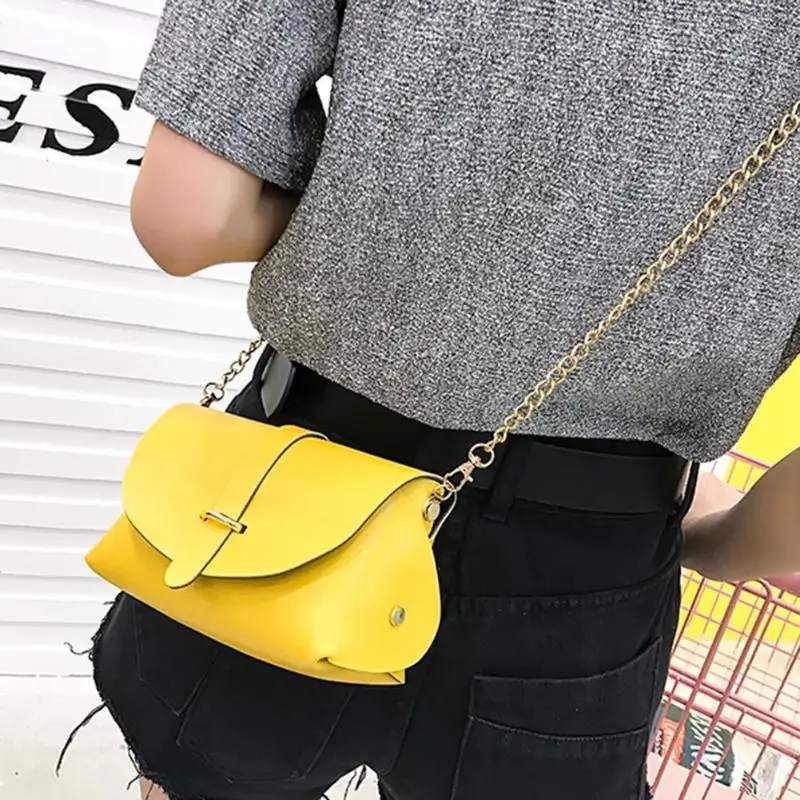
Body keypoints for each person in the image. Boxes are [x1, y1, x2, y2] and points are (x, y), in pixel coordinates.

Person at [87, 2, 800, 799]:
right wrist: (711, 541)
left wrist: (349, 227)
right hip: (582, 569)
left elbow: (187, 217)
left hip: (284, 492)